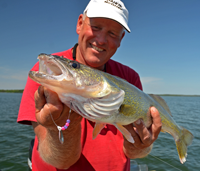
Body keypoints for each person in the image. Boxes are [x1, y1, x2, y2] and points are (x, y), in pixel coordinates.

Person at [17, 0, 162, 170]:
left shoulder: (130, 78)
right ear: (80, 24)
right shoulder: (50, 73)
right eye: (96, 27)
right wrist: (64, 127)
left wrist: (140, 145)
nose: (101, 40)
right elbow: (61, 162)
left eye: (113, 33)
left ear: (121, 38)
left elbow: (132, 152)